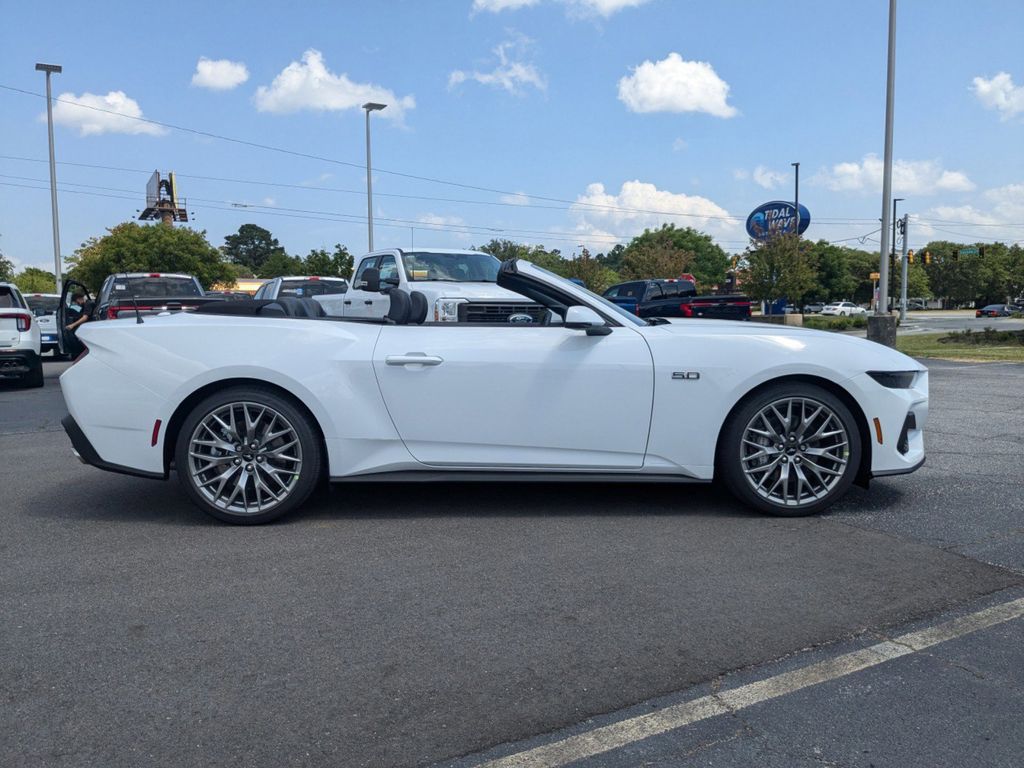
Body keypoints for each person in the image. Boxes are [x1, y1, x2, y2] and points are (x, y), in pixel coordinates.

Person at [65, 291, 93, 357]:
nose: (77, 304)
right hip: (87, 325)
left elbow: (85, 318)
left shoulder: (88, 304)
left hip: (89, 326)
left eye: (76, 302)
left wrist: (72, 325)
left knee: (75, 334)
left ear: (78, 299)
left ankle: (80, 352)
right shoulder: (84, 305)